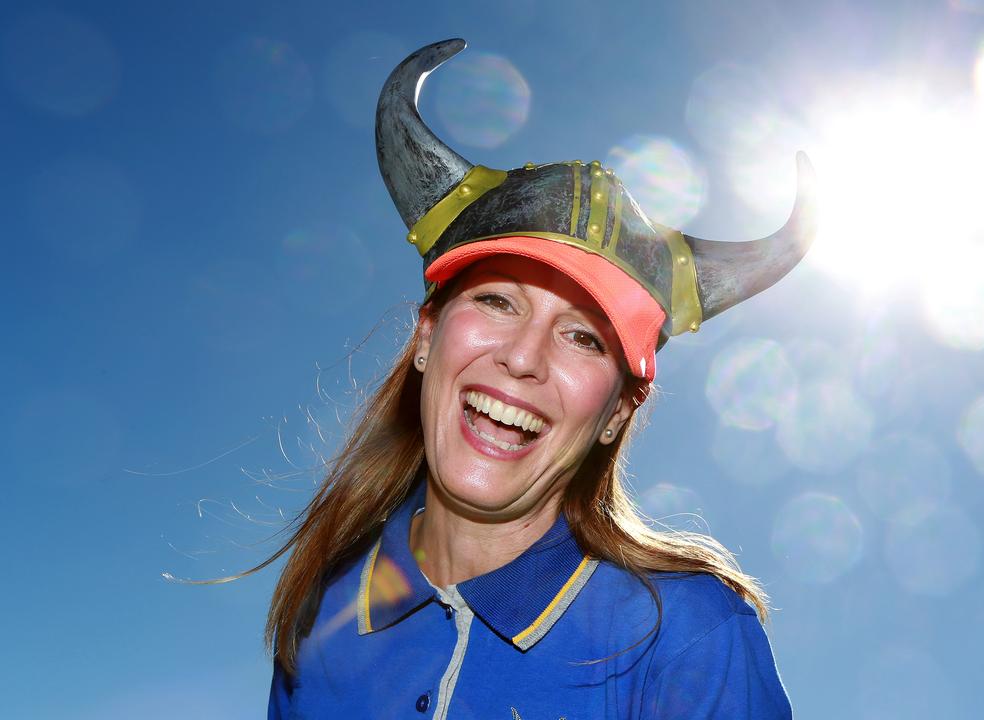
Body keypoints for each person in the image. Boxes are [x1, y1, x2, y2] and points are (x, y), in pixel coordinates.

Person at [263, 38, 816, 719]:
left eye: (583, 336)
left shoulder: (689, 638)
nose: (524, 357)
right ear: (427, 336)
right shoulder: (324, 617)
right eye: (497, 300)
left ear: (619, 410)